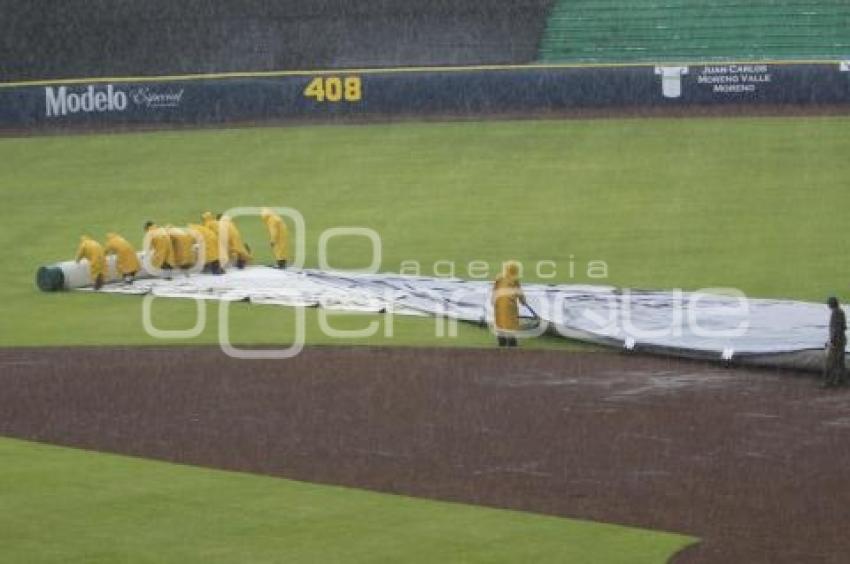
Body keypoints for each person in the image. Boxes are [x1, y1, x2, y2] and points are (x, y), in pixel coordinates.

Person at [491, 261, 527, 347]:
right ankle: (512, 343)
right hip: (510, 306)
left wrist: (493, 300)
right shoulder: (514, 280)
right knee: (510, 324)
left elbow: (495, 290)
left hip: (498, 304)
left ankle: (501, 342)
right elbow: (519, 293)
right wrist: (523, 301)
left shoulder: (499, 278)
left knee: (500, 322)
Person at [823, 296, 846, 388]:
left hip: (836, 341)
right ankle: (840, 380)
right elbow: (843, 327)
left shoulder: (835, 313)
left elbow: (835, 329)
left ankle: (828, 382)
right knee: (840, 362)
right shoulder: (841, 312)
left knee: (830, 362)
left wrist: (831, 341)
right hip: (842, 340)